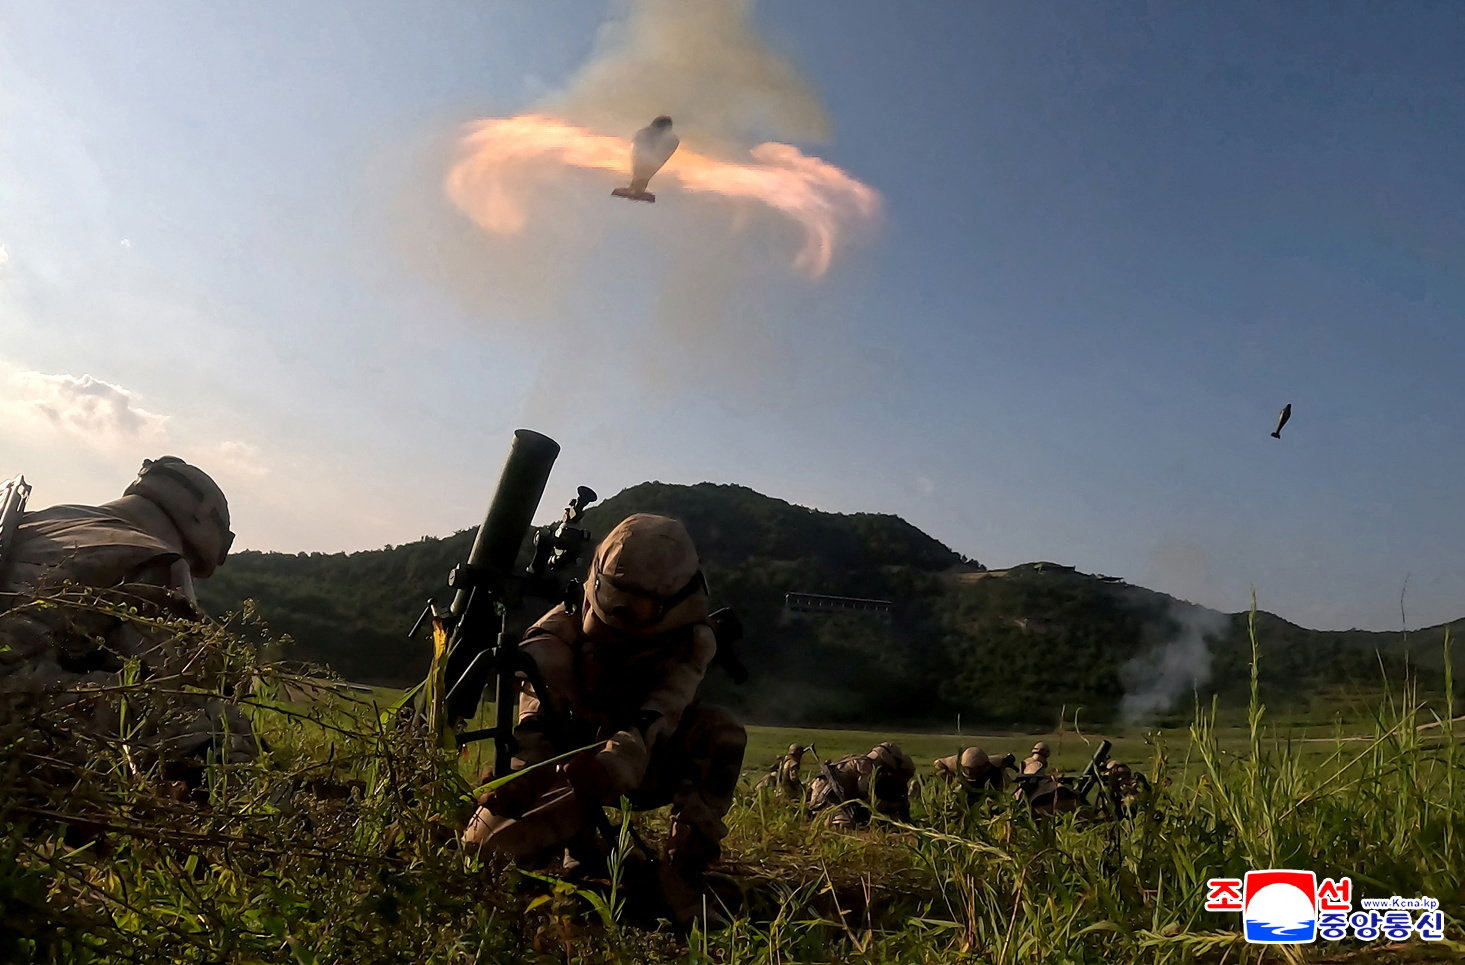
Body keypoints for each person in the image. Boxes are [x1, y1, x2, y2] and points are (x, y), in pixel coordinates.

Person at [463, 513, 747, 930]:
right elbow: (534, 723)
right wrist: (523, 777)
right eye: (615, 598)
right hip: (565, 771)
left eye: (639, 607)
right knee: (484, 850)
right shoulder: (553, 638)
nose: (623, 615)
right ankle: (580, 849)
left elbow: (661, 714)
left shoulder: (692, 642)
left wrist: (612, 763)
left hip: (646, 763)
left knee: (721, 732)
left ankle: (684, 867)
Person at [0, 456, 255, 782]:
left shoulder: (41, 518)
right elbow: (190, 671)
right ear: (200, 520)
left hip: (19, 686)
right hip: (16, 704)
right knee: (212, 721)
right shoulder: (156, 559)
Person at [806, 741, 915, 830]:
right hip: (828, 794)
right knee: (844, 825)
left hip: (822, 790)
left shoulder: (857, 759)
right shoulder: (866, 765)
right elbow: (863, 791)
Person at [934, 747, 1016, 802]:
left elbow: (1006, 785)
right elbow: (938, 763)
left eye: (973, 770)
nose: (969, 773)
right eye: (967, 769)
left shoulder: (994, 766)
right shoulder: (956, 762)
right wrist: (952, 782)